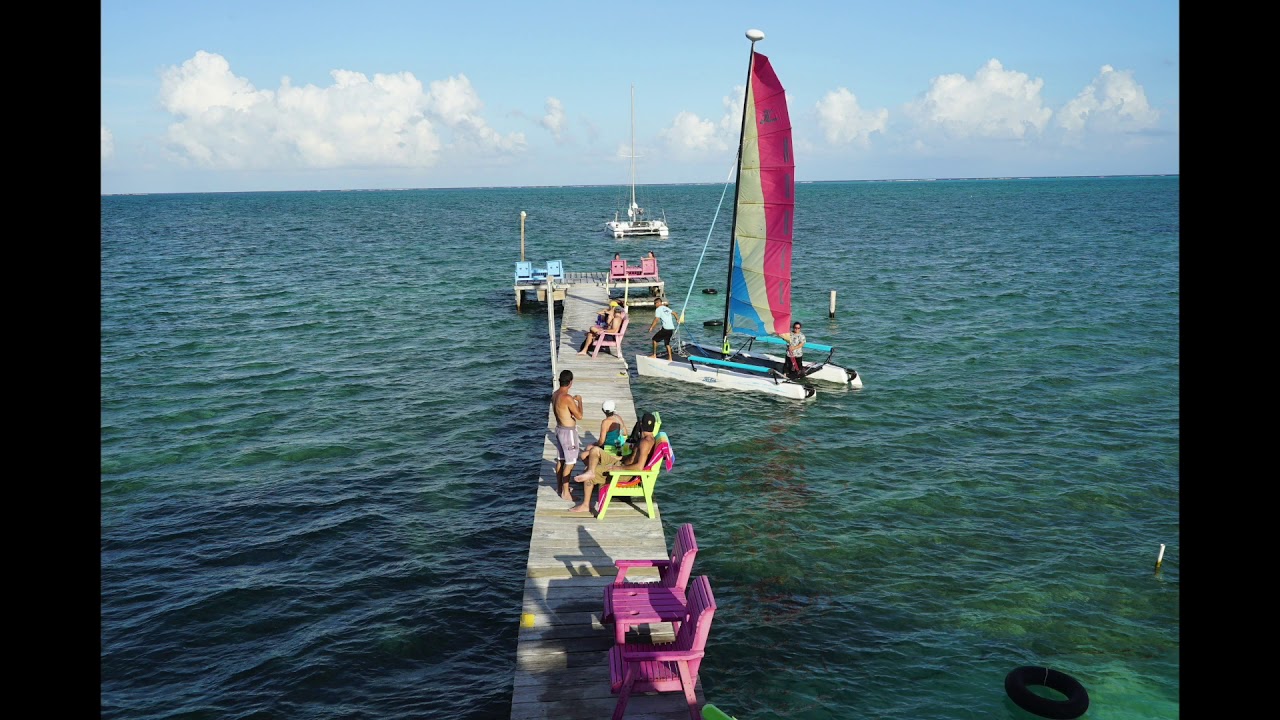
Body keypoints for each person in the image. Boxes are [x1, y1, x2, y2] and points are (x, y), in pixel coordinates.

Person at [574, 412, 658, 514]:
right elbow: (633, 458)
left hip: (625, 473)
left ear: (640, 425)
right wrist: (618, 457)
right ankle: (591, 471)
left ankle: (586, 505)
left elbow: (639, 467)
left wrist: (619, 469)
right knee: (595, 450)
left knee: (591, 475)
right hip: (621, 463)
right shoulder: (647, 439)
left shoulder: (645, 443)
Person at [570, 400, 628, 512]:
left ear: (603, 410)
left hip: (610, 450)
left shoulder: (606, 422)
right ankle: (591, 471)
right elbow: (625, 433)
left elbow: (601, 441)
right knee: (588, 449)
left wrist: (595, 445)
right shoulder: (618, 418)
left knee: (584, 455)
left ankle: (591, 472)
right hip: (619, 448)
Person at [550, 369, 584, 502]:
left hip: (559, 429)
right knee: (570, 463)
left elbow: (561, 411)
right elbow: (579, 416)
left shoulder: (555, 394)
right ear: (570, 382)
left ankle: (560, 488)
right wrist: (579, 401)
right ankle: (565, 492)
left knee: (561, 460)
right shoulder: (567, 398)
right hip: (568, 433)